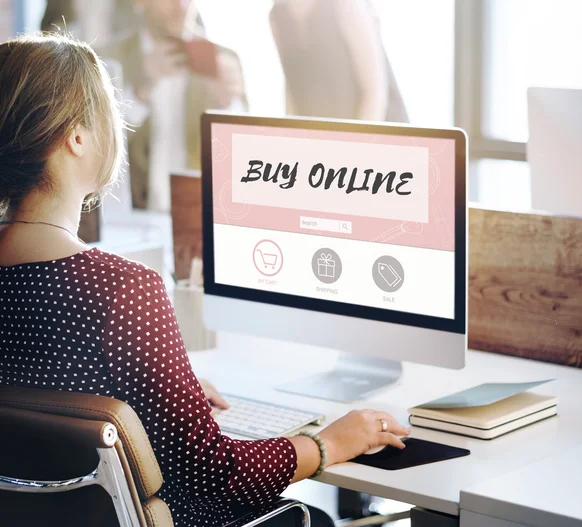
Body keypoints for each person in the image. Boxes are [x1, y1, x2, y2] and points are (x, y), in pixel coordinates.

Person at [0, 34, 411, 527]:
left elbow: (41, 387)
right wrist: (328, 444)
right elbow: (214, 475)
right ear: (77, 137)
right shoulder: (122, 292)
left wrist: (161, 386)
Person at [100, 0, 247, 211]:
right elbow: (97, 148)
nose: (181, 6)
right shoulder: (108, 59)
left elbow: (242, 159)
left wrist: (226, 104)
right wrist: (139, 93)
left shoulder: (224, 59)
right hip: (131, 216)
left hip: (199, 212)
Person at [270, 0, 409, 123]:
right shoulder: (276, 16)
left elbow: (375, 89)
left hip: (377, 126)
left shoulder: (346, 4)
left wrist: (357, 143)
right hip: (328, 134)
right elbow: (293, 86)